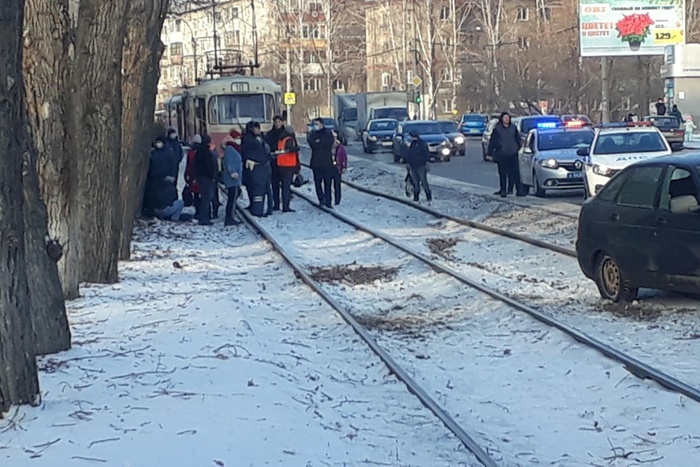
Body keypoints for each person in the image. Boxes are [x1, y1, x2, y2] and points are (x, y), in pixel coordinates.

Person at [146, 136, 184, 221]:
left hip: (157, 180)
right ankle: (174, 218)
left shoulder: (157, 153)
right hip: (160, 178)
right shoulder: (163, 153)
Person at [487, 112, 523, 198]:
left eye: (508, 117)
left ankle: (518, 190)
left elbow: (518, 139)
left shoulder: (513, 128)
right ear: (502, 119)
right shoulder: (497, 129)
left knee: (515, 173)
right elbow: (492, 141)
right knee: (503, 173)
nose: (507, 119)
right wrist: (489, 153)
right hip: (502, 154)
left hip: (513, 153)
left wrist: (518, 147)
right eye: (505, 117)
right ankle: (503, 190)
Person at [241, 121, 274, 217]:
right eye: (256, 128)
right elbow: (258, 153)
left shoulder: (256, 138)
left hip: (262, 167)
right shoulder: (250, 140)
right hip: (257, 167)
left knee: (265, 188)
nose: (258, 130)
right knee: (258, 189)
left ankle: (266, 208)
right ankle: (257, 210)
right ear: (252, 129)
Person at [265, 116, 293, 211]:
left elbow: (295, 148)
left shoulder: (288, 135)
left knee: (286, 186)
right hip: (274, 163)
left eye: (279, 121)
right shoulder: (269, 135)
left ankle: (286, 206)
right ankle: (276, 204)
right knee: (275, 184)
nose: (277, 124)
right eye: (275, 122)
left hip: (285, 164)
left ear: (282, 122)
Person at [308, 117, 336, 208]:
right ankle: (321, 199)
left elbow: (328, 144)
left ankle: (328, 201)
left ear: (322, 124)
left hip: (327, 162)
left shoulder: (328, 133)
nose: (315, 126)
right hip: (316, 163)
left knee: (328, 183)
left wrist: (319, 143)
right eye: (314, 124)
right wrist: (319, 143)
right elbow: (312, 144)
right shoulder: (313, 134)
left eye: (317, 124)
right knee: (317, 183)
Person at [273, 128, 301, 212]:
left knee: (282, 186)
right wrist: (297, 148)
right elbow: (290, 149)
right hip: (288, 165)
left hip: (280, 164)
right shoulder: (289, 139)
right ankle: (286, 206)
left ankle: (279, 204)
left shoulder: (281, 139)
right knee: (286, 187)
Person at [192, 134, 218, 225]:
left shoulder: (200, 151)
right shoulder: (206, 152)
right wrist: (212, 176)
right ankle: (204, 218)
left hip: (201, 177)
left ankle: (204, 217)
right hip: (206, 178)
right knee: (206, 199)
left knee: (205, 198)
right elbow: (209, 166)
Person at [221, 136, 243, 226]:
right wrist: (233, 172)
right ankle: (229, 218)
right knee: (232, 198)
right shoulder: (230, 149)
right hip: (232, 178)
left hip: (234, 178)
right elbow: (230, 162)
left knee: (233, 197)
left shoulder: (233, 148)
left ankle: (230, 217)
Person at [404, 132, 432, 202]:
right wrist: (408, 163)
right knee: (415, 182)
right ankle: (416, 196)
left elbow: (426, 154)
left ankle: (428, 195)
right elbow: (409, 154)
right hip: (413, 166)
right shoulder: (413, 144)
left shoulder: (421, 144)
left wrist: (426, 162)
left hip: (420, 165)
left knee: (423, 181)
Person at [185, 134, 202, 216]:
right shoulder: (202, 151)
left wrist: (186, 175)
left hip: (192, 175)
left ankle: (198, 211)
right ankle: (203, 212)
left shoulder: (190, 152)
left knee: (196, 195)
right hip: (200, 176)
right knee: (202, 195)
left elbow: (188, 165)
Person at [331, 135, 348, 205]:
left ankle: (337, 200)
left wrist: (344, 166)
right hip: (332, 167)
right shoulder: (334, 147)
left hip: (337, 168)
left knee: (337, 185)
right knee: (334, 184)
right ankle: (334, 199)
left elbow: (344, 158)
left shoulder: (341, 148)